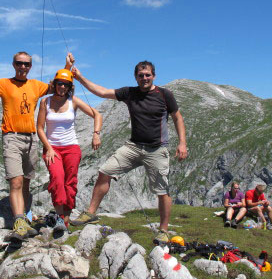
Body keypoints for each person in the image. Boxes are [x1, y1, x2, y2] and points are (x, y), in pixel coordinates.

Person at [69, 60, 188, 243]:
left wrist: (182, 143)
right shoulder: (130, 93)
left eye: (147, 75)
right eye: (141, 75)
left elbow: (177, 118)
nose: (144, 78)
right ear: (136, 77)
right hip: (133, 146)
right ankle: (90, 213)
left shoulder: (165, 95)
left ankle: (163, 230)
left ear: (153, 76)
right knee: (105, 171)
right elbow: (101, 92)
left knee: (162, 190)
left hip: (156, 149)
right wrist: (79, 77)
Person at [0, 51, 72, 241]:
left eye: (26, 64)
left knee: (26, 182)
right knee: (15, 181)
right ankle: (19, 222)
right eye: (19, 63)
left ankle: (25, 218)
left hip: (32, 139)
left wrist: (67, 67)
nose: (23, 67)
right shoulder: (4, 84)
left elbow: (60, 86)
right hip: (12, 138)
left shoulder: (36, 85)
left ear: (30, 66)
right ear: (13, 64)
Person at [36, 68, 102, 233]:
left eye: (66, 85)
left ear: (70, 86)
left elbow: (97, 115)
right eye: (60, 84)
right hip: (52, 149)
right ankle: (59, 218)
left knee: (70, 183)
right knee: (57, 180)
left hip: (72, 147)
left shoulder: (74, 101)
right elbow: (39, 128)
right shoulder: (45, 102)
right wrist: (49, 148)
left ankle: (65, 220)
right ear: (55, 84)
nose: (62, 87)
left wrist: (96, 134)